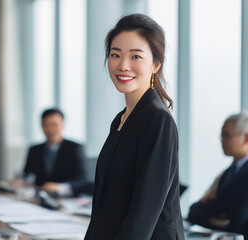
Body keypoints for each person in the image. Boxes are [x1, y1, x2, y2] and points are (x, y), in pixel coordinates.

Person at [84, 14, 184, 239]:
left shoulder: (158, 120)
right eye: (115, 55)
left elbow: (144, 213)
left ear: (156, 64)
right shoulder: (122, 119)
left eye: (136, 56)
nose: (123, 66)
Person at [187, 112, 248, 235]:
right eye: (221, 135)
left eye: (227, 135)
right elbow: (193, 212)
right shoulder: (226, 174)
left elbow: (237, 222)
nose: (222, 140)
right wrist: (218, 213)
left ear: (246, 138)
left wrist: (211, 206)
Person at [22, 108, 86, 190]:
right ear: (42, 126)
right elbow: (27, 174)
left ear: (62, 125)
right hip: (38, 196)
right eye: (47, 125)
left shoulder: (75, 148)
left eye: (54, 125)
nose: (50, 130)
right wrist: (20, 180)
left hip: (65, 198)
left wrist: (59, 187)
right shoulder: (34, 150)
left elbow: (82, 179)